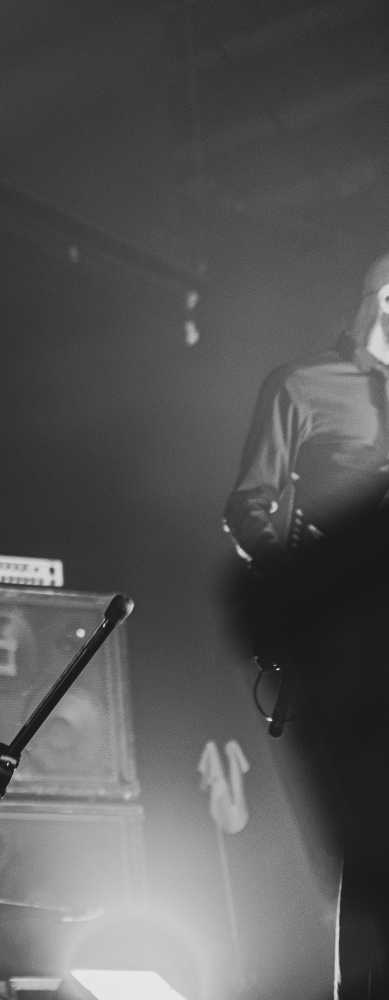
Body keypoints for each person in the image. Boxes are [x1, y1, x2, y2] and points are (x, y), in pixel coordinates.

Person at [224, 251, 389, 1000]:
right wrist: (305, 589)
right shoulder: (302, 384)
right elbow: (248, 506)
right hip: (350, 649)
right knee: (366, 840)